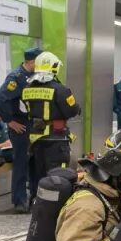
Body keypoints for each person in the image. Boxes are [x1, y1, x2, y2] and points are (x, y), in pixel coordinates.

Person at [21, 52, 81, 189]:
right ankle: (56, 205)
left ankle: (38, 202)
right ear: (53, 68)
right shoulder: (60, 90)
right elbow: (72, 110)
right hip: (56, 139)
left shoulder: (26, 89)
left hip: (35, 140)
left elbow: (24, 110)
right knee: (58, 176)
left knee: (39, 175)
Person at [0, 46, 41, 213]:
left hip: (32, 126)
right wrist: (10, 121)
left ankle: (35, 197)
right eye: (39, 61)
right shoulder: (16, 77)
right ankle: (19, 201)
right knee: (21, 163)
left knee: (35, 163)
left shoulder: (34, 76)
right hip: (20, 127)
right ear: (32, 61)